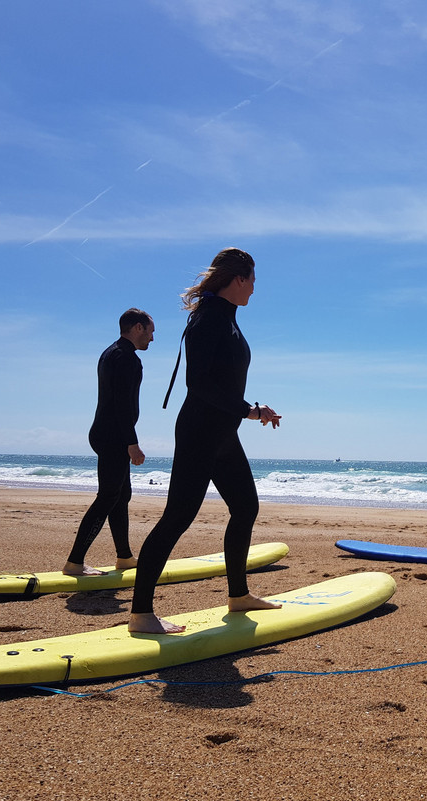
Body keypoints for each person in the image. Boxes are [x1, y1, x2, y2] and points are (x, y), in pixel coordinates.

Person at [128, 248, 282, 634]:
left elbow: (223, 381)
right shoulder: (209, 319)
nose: (254, 289)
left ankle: (238, 594)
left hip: (222, 432)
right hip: (201, 430)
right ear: (238, 279)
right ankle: (141, 614)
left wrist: (252, 409)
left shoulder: (225, 318)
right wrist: (249, 410)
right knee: (177, 518)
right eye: (253, 281)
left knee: (246, 507)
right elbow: (198, 385)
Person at [63, 308, 155, 576]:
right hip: (114, 436)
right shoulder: (127, 358)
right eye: (150, 332)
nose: (152, 338)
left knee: (120, 495)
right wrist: (132, 442)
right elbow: (121, 404)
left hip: (105, 432)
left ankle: (124, 556)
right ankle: (75, 562)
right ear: (137, 328)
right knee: (107, 497)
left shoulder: (110, 352)